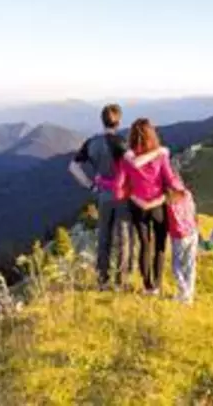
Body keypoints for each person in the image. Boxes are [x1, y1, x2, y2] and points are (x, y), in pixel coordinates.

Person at [68, 104, 133, 291]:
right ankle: (121, 281)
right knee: (123, 238)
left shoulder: (91, 143)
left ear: (102, 120)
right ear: (118, 121)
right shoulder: (120, 142)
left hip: (103, 195)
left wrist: (90, 185)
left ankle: (102, 280)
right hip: (121, 196)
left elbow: (73, 167)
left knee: (104, 237)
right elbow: (135, 163)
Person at [116, 118, 181, 296]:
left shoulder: (127, 159)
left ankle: (147, 286)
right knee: (160, 244)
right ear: (152, 135)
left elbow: (118, 187)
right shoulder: (160, 157)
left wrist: (132, 195)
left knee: (145, 244)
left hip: (137, 206)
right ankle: (157, 285)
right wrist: (181, 190)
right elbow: (170, 179)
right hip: (158, 205)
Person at [166, 185, 199, 304]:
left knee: (177, 266)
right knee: (190, 265)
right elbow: (194, 212)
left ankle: (184, 290)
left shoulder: (169, 201)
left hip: (179, 236)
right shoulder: (188, 194)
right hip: (193, 232)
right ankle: (188, 297)